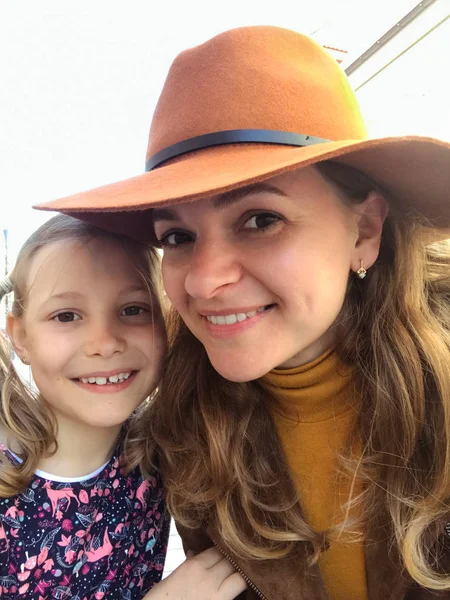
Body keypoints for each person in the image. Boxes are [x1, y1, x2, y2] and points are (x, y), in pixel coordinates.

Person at [35, 25, 450, 599]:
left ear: (365, 229)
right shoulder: (186, 433)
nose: (205, 280)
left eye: (260, 220)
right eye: (178, 236)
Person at [0, 215, 246, 599]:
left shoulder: (166, 453)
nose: (105, 342)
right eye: (66, 316)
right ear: (21, 338)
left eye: (132, 309)